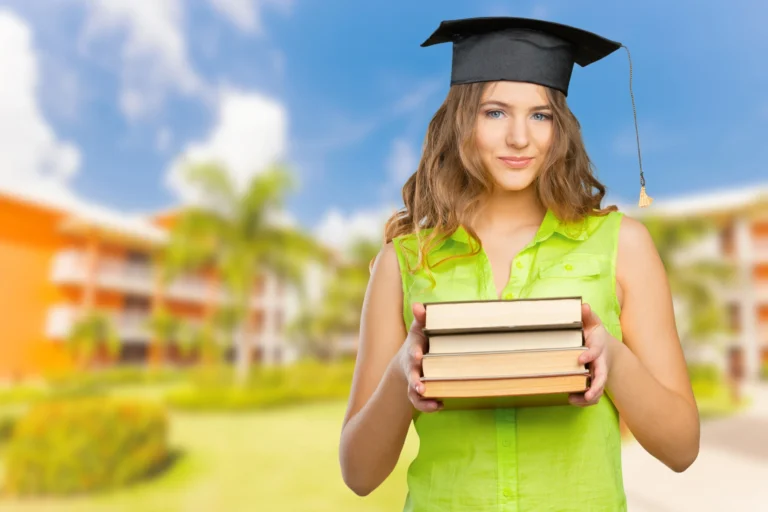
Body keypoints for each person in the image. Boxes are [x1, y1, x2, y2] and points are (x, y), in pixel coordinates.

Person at [339, 16, 700, 511]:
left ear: (560, 127)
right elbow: (359, 475)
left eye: (540, 116)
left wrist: (612, 361)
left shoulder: (622, 246)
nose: (519, 138)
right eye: (495, 113)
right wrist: (404, 373)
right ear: (461, 120)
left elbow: (682, 449)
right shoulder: (403, 261)